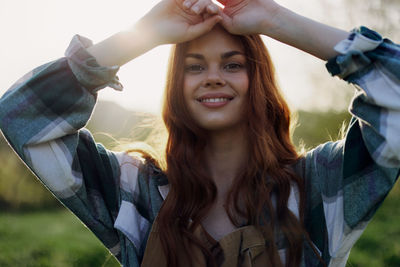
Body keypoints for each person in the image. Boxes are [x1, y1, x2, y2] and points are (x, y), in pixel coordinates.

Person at [0, 0, 399, 266]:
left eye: (231, 65)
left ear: (257, 78)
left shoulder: (318, 187)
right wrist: (145, 33)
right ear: (176, 84)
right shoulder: (133, 192)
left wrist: (278, 21)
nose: (211, 78)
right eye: (194, 67)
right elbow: (22, 118)